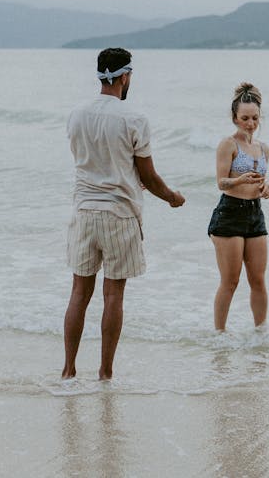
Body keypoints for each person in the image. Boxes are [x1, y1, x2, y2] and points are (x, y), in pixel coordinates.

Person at [62, 48, 185, 380]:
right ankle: (105, 372)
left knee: (79, 292)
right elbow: (148, 177)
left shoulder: (76, 115)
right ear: (126, 76)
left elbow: (90, 162)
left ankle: (69, 369)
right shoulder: (134, 118)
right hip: (119, 214)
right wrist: (173, 197)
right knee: (113, 294)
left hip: (85, 211)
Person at [207, 82, 269, 331]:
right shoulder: (228, 144)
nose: (250, 123)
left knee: (258, 279)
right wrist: (240, 180)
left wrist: (267, 189)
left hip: (255, 214)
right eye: (245, 118)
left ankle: (261, 333)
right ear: (234, 118)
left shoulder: (263, 148)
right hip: (230, 214)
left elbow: (262, 183)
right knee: (230, 281)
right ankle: (219, 335)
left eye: (255, 118)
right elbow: (221, 182)